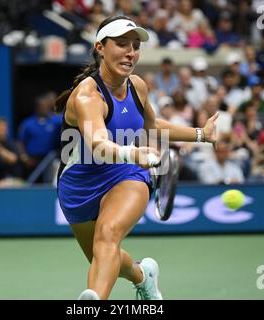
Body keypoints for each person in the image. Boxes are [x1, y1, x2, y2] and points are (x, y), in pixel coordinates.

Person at [54, 15, 218, 300]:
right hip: (77, 185)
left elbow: (152, 127)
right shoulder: (87, 96)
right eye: (121, 44)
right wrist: (133, 151)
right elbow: (97, 142)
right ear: (100, 48)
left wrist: (201, 134)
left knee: (107, 235)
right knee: (103, 257)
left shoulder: (138, 86)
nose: (131, 52)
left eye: (135, 46)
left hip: (127, 173)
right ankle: (144, 276)